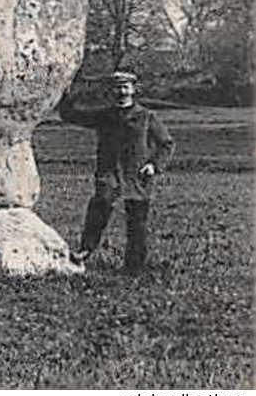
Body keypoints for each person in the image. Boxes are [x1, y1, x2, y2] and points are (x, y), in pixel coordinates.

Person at [58, 69, 174, 273]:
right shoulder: (104, 116)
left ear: (133, 90)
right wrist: (66, 92)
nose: (122, 91)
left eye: (125, 87)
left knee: (137, 221)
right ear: (111, 91)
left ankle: (134, 267)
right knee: (99, 206)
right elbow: (70, 115)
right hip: (109, 173)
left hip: (137, 175)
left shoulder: (146, 117)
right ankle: (85, 250)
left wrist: (153, 165)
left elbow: (166, 143)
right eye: (117, 87)